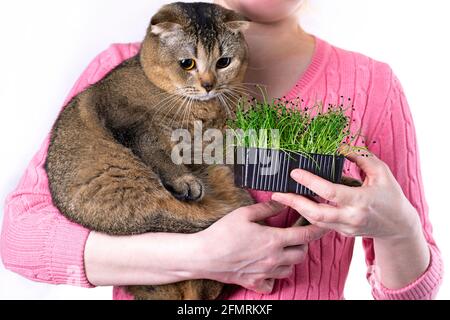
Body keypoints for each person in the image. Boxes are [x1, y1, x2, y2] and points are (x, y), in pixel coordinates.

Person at [0, 0, 443, 300]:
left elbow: (417, 288)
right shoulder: (121, 70)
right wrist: (201, 256)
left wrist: (399, 227)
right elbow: (20, 238)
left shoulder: (371, 84)